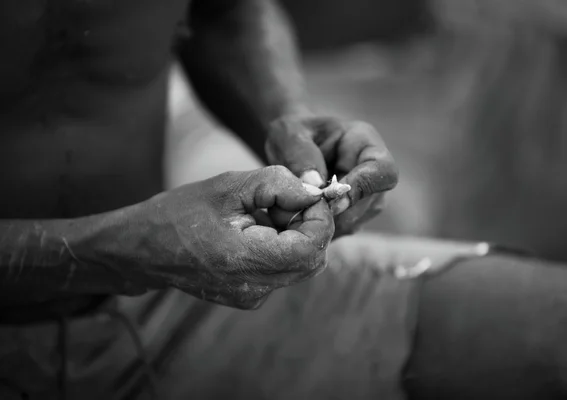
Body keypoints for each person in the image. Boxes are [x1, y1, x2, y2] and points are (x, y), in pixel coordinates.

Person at [0, 0, 398, 398]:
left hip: (160, 308)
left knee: (457, 317)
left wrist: (288, 125)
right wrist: (123, 252)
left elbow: (224, 12)